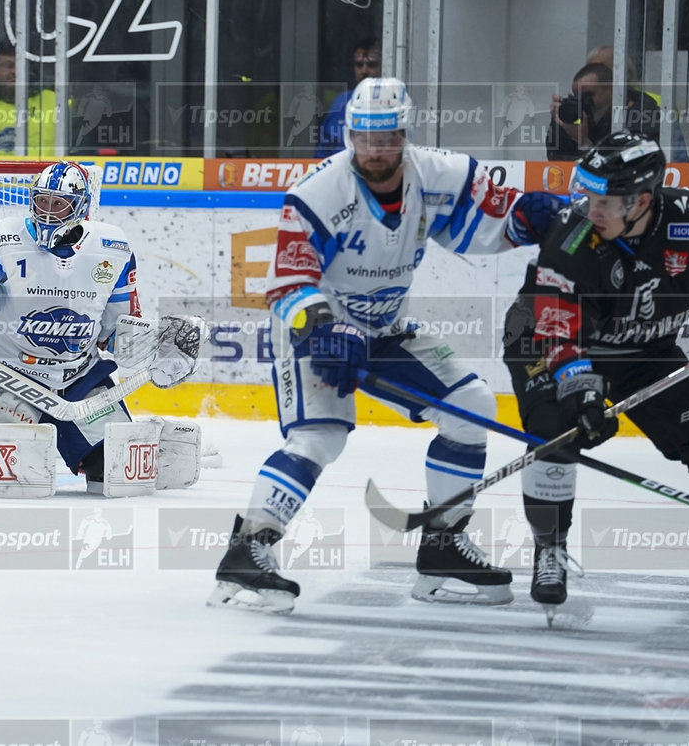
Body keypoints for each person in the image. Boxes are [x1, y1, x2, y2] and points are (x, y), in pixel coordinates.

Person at [208, 76, 564, 613]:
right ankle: (248, 551)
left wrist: (525, 218)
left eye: (388, 138)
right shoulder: (317, 195)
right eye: (365, 138)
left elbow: (485, 225)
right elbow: (286, 284)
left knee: (471, 406)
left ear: (405, 133)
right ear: (349, 134)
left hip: (386, 328)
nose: (376, 152)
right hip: (317, 331)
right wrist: (324, 326)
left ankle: (443, 542)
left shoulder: (439, 175)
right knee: (319, 437)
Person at [502, 131, 689, 613]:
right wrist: (582, 395)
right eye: (585, 194)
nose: (589, 209)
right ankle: (550, 548)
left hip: (644, 350)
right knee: (556, 434)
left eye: (602, 201)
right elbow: (556, 328)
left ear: (641, 200)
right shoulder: (571, 233)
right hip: (542, 339)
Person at [0, 161, 193, 481]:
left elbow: (116, 330)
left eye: (58, 204)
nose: (46, 212)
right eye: (41, 201)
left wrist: (155, 346)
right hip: (4, 375)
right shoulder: (4, 238)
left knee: (118, 469)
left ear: (80, 208)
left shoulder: (113, 248)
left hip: (78, 378)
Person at [547, 61, 675, 162]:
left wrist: (584, 142)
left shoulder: (643, 116)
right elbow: (556, 159)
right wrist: (560, 121)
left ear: (612, 90)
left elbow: (625, 166)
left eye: (588, 95)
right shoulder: (584, 116)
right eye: (577, 94)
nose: (583, 101)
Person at [313, 37, 381, 157]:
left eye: (372, 65)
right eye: (359, 65)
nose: (364, 71)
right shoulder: (341, 102)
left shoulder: (396, 101)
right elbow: (323, 152)